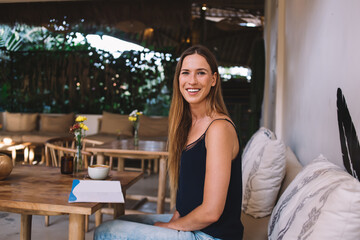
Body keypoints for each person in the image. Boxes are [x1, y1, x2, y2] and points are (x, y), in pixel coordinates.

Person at [94, 45, 243, 240]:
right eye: (186, 73)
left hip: (212, 236)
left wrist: (167, 227)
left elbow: (211, 211)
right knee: (123, 221)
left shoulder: (218, 129)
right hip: (196, 228)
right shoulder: (187, 125)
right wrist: (170, 224)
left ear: (214, 79)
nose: (192, 81)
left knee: (105, 232)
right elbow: (187, 199)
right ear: (178, 79)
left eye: (201, 73)